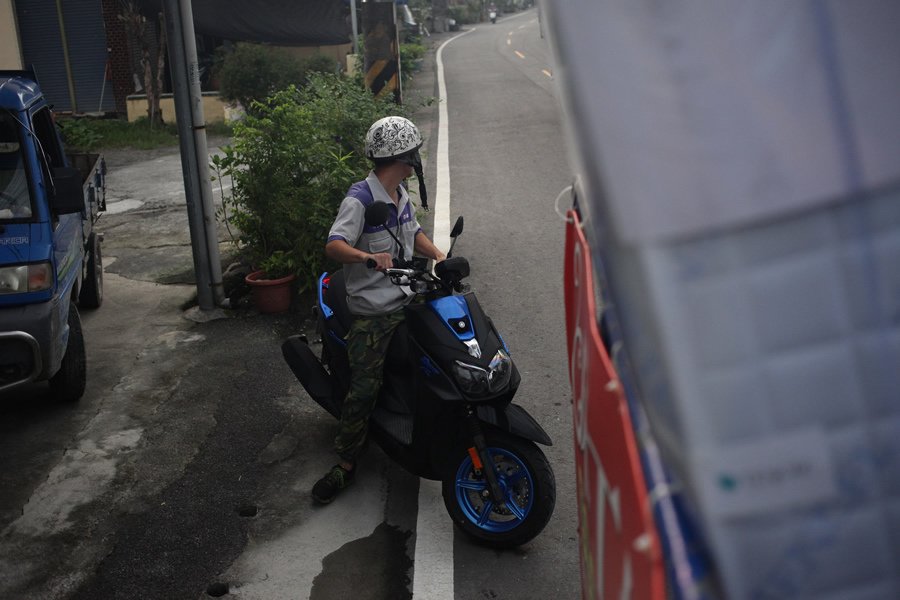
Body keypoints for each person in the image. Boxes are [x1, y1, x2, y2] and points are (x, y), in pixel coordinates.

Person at [312, 116, 446, 504]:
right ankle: (347, 462)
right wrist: (368, 257)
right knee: (363, 388)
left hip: (406, 296)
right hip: (374, 311)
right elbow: (334, 246)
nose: (416, 160)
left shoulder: (400, 195)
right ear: (403, 157)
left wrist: (436, 252)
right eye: (414, 153)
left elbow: (413, 233)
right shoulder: (361, 200)